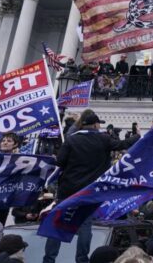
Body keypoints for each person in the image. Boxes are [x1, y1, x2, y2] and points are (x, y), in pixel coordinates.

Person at [43, 110, 139, 263]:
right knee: (85, 225)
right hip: (90, 190)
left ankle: (49, 259)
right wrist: (137, 135)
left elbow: (60, 162)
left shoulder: (71, 139)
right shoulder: (103, 139)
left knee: (59, 223)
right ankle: (82, 259)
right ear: (95, 125)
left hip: (68, 189)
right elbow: (122, 144)